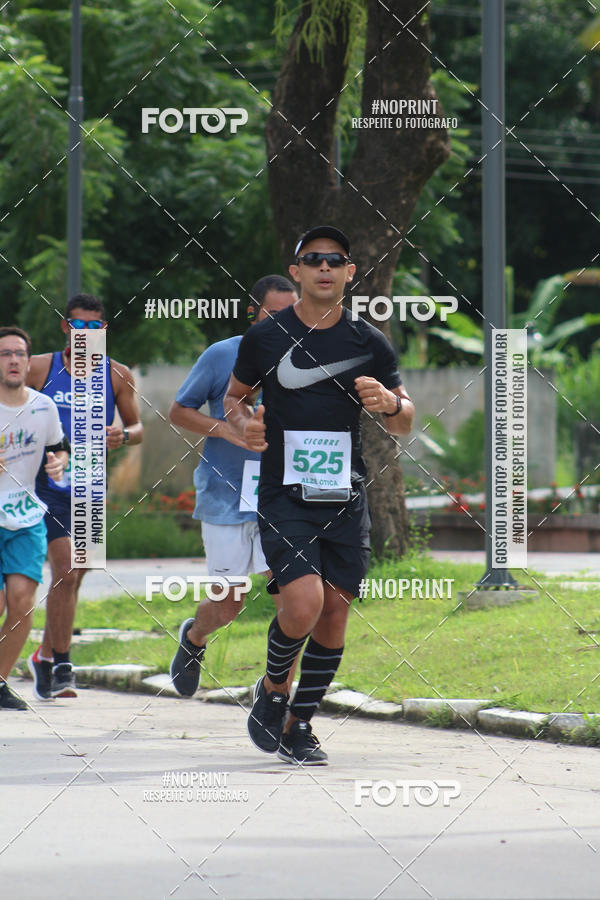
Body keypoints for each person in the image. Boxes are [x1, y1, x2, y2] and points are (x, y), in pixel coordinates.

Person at [224, 226, 415, 765]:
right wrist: (246, 427)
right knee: (303, 603)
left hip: (345, 494)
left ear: (350, 273)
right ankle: (271, 687)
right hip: (284, 492)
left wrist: (388, 405)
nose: (325, 267)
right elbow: (234, 399)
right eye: (314, 259)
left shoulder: (368, 341)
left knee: (335, 612)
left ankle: (298, 723)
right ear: (297, 271)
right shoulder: (265, 337)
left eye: (335, 259)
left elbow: (406, 417)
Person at [168, 275, 298, 697]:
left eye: (290, 314)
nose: (282, 323)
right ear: (253, 312)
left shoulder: (305, 359)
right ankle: (194, 638)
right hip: (225, 495)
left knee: (291, 601)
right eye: (273, 314)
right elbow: (178, 411)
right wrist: (224, 431)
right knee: (229, 603)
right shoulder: (222, 354)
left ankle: (275, 693)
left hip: (280, 497)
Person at [25, 294, 143, 700]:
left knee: (74, 579)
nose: (86, 334)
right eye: (78, 325)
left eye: (94, 327)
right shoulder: (40, 367)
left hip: (90, 488)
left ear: (104, 330)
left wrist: (123, 435)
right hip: (45, 486)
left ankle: (43, 653)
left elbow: (139, 427)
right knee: (67, 571)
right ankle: (62, 666)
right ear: (65, 327)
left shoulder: (117, 375)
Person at [0, 326, 69, 710]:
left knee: (22, 600)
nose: (13, 360)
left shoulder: (43, 406)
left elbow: (59, 449)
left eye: (19, 354)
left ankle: (0, 681)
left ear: (28, 362)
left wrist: (60, 463)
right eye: (5, 353)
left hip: (26, 516)